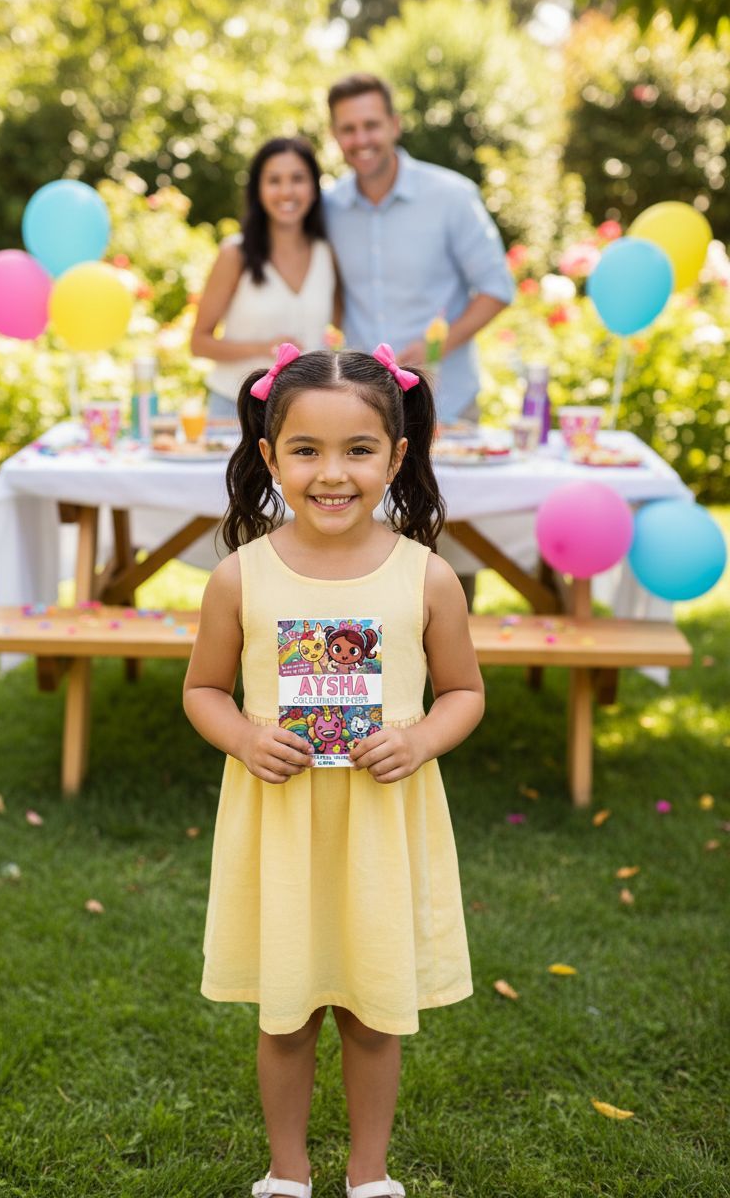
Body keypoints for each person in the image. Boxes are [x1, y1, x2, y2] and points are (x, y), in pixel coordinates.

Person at [183, 343, 485, 1198]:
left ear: (396, 456)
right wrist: (242, 735)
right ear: (271, 456)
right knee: (286, 1012)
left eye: (358, 450)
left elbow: (463, 693)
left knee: (371, 1006)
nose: (332, 473)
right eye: (307, 450)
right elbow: (204, 689)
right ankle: (286, 1174)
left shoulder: (428, 578)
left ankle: (369, 1175)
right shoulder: (240, 578)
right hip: (282, 825)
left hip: (377, 825)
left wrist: (420, 739)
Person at [324, 72, 514, 424]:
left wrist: (433, 349)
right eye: (348, 129)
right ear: (335, 135)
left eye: (371, 125)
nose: (361, 138)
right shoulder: (327, 207)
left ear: (395, 125)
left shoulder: (452, 196)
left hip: (445, 404)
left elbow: (496, 288)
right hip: (362, 409)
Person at [191, 137, 339, 418]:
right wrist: (266, 349)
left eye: (297, 179)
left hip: (304, 412)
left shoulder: (326, 254)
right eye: (274, 180)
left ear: (314, 187)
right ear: (258, 190)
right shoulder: (235, 254)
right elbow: (199, 342)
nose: (286, 191)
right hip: (236, 409)